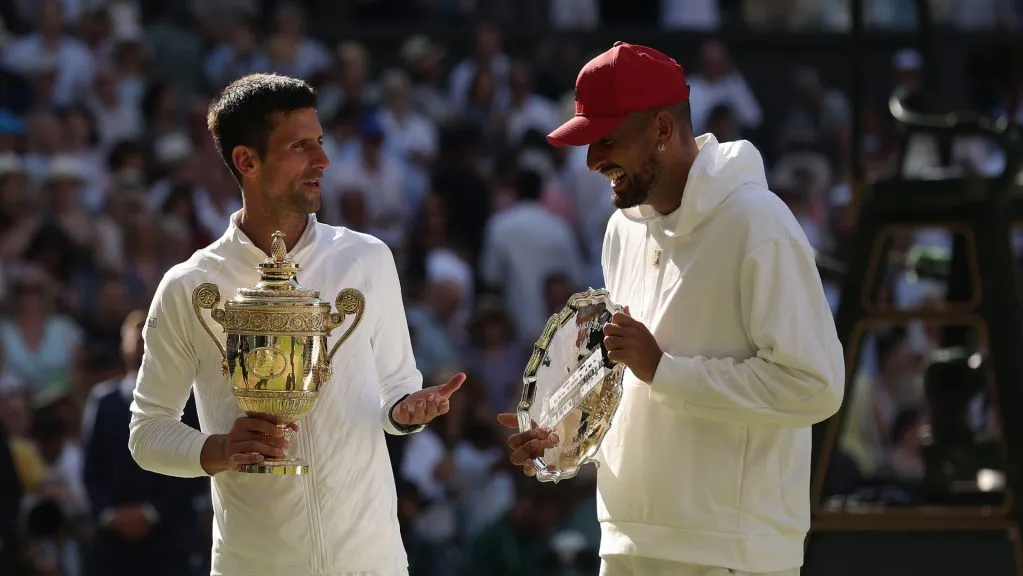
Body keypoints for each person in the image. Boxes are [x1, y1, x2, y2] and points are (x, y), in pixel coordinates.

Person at [498, 42, 845, 576]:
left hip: (730, 550)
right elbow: (625, 389)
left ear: (662, 129)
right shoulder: (620, 231)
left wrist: (665, 371)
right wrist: (561, 433)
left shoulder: (758, 223)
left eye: (606, 140)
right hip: (624, 539)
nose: (591, 162)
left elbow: (816, 384)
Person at [128, 73, 465, 576]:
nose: (323, 161)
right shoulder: (188, 285)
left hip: (371, 562)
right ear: (247, 161)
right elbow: (147, 432)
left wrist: (406, 410)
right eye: (300, 146)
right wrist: (217, 449)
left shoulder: (367, 258)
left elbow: (395, 388)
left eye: (321, 143)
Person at [83, 309, 208, 576]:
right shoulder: (103, 401)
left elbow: (197, 464)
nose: (142, 342)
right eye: (136, 335)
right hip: (113, 545)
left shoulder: (190, 401)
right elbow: (92, 468)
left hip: (170, 540)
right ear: (122, 344)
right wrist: (109, 514)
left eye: (149, 335)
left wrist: (153, 512)